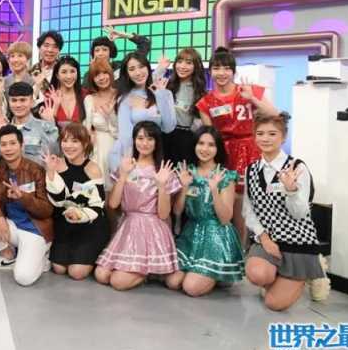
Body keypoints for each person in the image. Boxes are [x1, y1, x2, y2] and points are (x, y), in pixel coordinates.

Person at [243, 112, 329, 311]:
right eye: (260, 133)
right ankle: (278, 276)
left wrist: (292, 191)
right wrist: (264, 238)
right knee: (257, 275)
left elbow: (300, 213)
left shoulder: (297, 167)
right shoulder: (251, 170)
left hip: (297, 241)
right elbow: (248, 210)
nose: (265, 138)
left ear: (283, 137)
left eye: (272, 134)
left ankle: (313, 269)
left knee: (273, 303)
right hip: (267, 240)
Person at [196, 46, 278, 243]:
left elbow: (275, 114)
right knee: (232, 202)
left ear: (233, 71)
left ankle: (259, 247)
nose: (221, 73)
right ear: (210, 71)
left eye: (226, 68)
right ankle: (235, 248)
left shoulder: (249, 90)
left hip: (253, 150)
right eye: (216, 68)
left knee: (258, 200)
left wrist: (253, 99)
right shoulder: (205, 102)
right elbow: (210, 136)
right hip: (225, 153)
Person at [94, 121, 183, 291]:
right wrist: (123, 175)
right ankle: (151, 271)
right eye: (140, 138)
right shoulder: (127, 165)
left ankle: (148, 270)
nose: (144, 143)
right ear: (134, 140)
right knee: (101, 274)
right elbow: (113, 204)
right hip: (129, 226)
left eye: (150, 139)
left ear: (157, 142)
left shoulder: (163, 170)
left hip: (153, 228)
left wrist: (162, 185)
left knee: (118, 282)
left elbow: (164, 214)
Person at [168, 127, 244, 296]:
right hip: (191, 233)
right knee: (172, 282)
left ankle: (217, 273)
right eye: (201, 143)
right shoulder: (187, 171)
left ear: (218, 148)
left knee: (191, 288)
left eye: (211, 145)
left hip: (216, 235)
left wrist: (214, 190)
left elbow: (225, 219)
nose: (205, 149)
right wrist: (184, 187)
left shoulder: (225, 175)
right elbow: (177, 211)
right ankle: (207, 274)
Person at [0, 125, 53, 287]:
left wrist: (23, 197)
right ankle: (8, 256)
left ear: (21, 145)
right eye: (3, 144)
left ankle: (43, 256)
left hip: (35, 231)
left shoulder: (36, 170)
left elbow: (47, 210)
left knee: (23, 278)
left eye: (12, 143)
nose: (8, 148)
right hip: (12, 228)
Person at [44, 124, 108, 281]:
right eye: (65, 141)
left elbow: (97, 205)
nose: (68, 145)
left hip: (90, 225)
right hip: (65, 225)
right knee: (59, 268)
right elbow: (58, 201)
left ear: (85, 144)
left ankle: (99, 254)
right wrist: (51, 172)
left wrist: (80, 214)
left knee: (76, 273)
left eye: (74, 141)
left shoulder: (93, 169)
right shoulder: (56, 164)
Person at [108, 52, 176, 177]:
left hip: (157, 153)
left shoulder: (163, 92)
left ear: (147, 67)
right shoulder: (125, 99)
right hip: (132, 156)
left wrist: (160, 95)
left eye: (141, 67)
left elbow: (168, 127)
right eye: (132, 69)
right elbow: (126, 136)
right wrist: (132, 164)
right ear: (127, 74)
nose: (138, 72)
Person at [0, 81, 59, 166]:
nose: (18, 105)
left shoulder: (44, 126)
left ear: (32, 102)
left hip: (37, 173)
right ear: (9, 102)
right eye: (14, 100)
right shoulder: (1, 128)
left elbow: (55, 156)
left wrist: (50, 122)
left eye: (23, 100)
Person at [163, 48, 207, 166]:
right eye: (180, 61)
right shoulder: (167, 85)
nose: (182, 66)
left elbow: (200, 123)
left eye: (188, 63)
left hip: (186, 140)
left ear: (196, 66)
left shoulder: (199, 92)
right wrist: (161, 69)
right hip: (164, 137)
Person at [83, 59, 118, 184]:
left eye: (105, 73)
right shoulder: (89, 99)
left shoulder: (120, 96)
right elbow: (87, 125)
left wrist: (110, 115)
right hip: (96, 148)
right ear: (92, 79)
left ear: (110, 74)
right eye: (97, 75)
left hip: (117, 146)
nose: (102, 78)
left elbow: (121, 131)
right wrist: (89, 136)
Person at [47, 55, 85, 128]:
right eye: (64, 72)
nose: (69, 76)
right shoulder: (49, 96)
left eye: (72, 71)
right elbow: (46, 126)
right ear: (57, 75)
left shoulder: (85, 95)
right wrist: (55, 106)